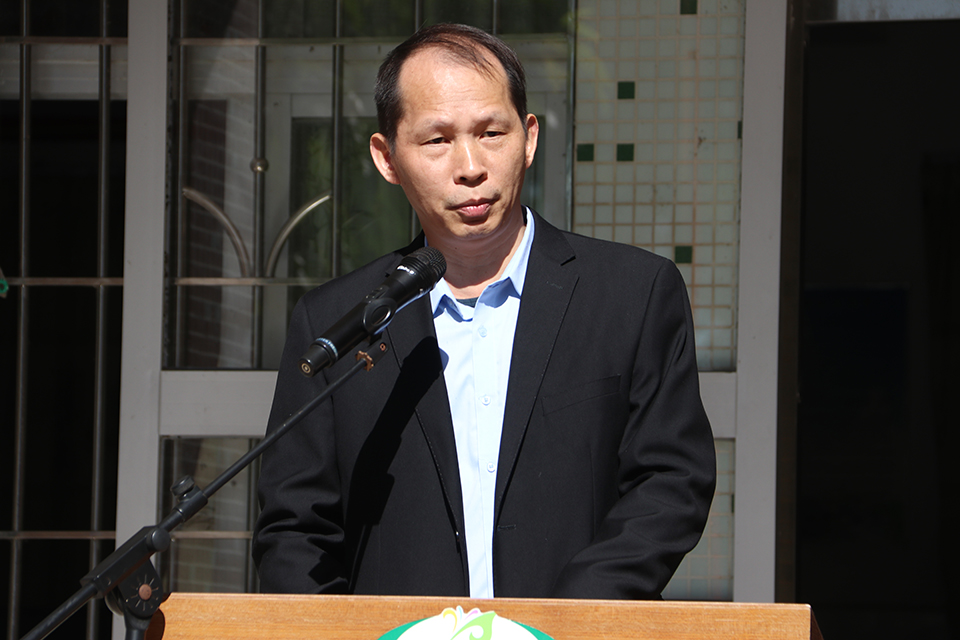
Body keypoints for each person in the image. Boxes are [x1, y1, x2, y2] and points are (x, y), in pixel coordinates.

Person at [253, 23, 716, 600]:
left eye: (491, 133)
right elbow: (294, 530)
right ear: (387, 157)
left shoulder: (632, 294)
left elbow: (671, 483)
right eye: (437, 140)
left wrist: (566, 624)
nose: (470, 166)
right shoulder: (338, 322)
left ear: (529, 138)